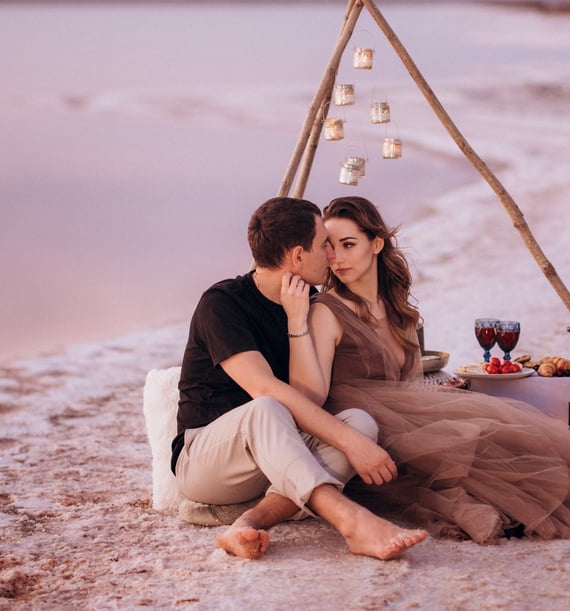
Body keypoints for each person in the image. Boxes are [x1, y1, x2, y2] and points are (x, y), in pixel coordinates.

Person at [296, 195, 570, 543]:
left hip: (401, 414)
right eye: (328, 247)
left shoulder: (401, 314)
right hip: (359, 426)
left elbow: (404, 382)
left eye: (348, 244)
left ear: (377, 244)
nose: (335, 257)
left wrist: (438, 397)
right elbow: (313, 394)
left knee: (507, 429)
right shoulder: (326, 312)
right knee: (477, 442)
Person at [171, 196, 428, 560]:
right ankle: (352, 522)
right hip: (208, 463)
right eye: (324, 243)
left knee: (360, 423)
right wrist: (351, 445)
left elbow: (312, 399)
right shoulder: (222, 303)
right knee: (269, 408)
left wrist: (356, 435)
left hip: (276, 455)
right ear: (297, 256)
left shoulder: (308, 300)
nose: (332, 253)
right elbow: (265, 390)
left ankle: (248, 520)